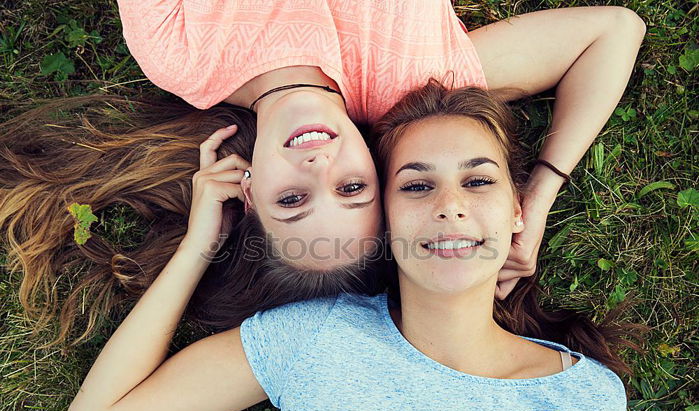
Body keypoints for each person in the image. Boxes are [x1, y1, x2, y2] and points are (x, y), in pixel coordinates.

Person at [64, 80, 646, 411]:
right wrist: (200, 243)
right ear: (383, 220)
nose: (450, 205)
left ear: (513, 209)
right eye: (417, 185)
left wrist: (539, 199)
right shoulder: (316, 338)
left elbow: (618, 27)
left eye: (479, 181)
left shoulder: (583, 397)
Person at [0, 3, 646, 347]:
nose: (318, 166)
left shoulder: (178, 58)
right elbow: (613, 32)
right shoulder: (418, 83)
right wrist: (534, 198)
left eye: (291, 198)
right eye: (351, 188)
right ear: (380, 164)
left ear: (246, 189)